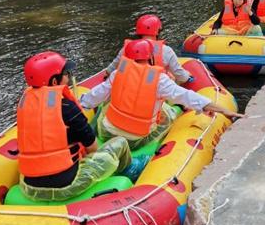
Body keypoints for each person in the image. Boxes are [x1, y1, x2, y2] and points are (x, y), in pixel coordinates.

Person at [80, 40, 243, 150]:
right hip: (135, 140)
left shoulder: (117, 74)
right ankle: (176, 113)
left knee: (106, 105)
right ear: (150, 57)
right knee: (167, 112)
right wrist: (222, 109)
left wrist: (80, 103)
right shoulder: (160, 80)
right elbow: (187, 96)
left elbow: (91, 98)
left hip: (107, 132)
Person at [17, 51, 132, 202]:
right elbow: (93, 148)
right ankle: (130, 173)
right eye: (66, 73)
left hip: (30, 186)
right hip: (65, 186)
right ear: (53, 82)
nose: (69, 77)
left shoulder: (24, 103)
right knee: (121, 142)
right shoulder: (68, 108)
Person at [105, 14, 191, 84]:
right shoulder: (166, 50)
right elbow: (180, 75)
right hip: (154, 90)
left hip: (128, 88)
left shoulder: (127, 47)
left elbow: (111, 69)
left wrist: (107, 74)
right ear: (157, 31)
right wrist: (187, 76)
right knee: (171, 78)